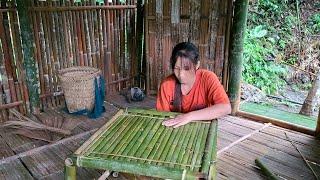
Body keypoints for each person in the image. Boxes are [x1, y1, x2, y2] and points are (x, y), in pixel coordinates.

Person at [156, 42, 231, 128]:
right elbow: (163, 117)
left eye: (186, 68)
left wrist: (188, 117)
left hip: (202, 128)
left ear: (197, 65)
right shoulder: (167, 85)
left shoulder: (208, 78)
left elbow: (225, 108)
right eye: (177, 68)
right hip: (175, 129)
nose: (181, 74)